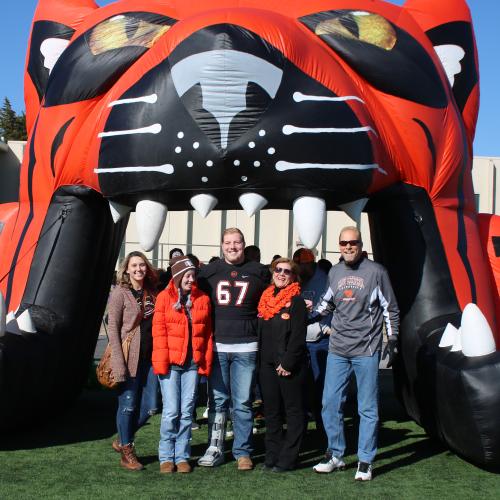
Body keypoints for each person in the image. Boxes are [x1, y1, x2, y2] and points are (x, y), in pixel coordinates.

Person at [312, 227, 399, 481]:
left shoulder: (376, 272)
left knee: (367, 408)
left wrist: (392, 340)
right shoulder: (335, 272)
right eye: (343, 243)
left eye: (353, 242)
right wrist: (307, 313)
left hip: (366, 350)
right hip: (337, 349)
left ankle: (365, 460)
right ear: (339, 246)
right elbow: (326, 303)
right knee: (329, 404)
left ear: (362, 245)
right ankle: (336, 454)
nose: (348, 246)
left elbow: (390, 309)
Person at [197, 228, 269, 470]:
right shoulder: (208, 273)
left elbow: (274, 297)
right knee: (217, 400)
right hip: (217, 346)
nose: (232, 247)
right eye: (228, 243)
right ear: (221, 245)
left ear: (244, 244)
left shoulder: (259, 271)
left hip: (247, 345)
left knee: (243, 401)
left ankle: (243, 451)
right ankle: (215, 447)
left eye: (236, 242)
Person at [152, 256, 213, 473]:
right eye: (186, 275)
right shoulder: (163, 298)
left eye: (192, 275)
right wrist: (161, 363)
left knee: (187, 412)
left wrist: (204, 363)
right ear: (177, 277)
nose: (190, 279)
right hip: (170, 364)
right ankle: (166, 457)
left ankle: (182, 456)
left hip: (192, 365)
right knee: (171, 412)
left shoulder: (202, 299)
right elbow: (158, 334)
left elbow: (207, 335)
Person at [108, 251, 159, 471]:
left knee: (151, 406)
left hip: (151, 357)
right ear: (127, 269)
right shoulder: (121, 293)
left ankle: (122, 438)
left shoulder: (152, 291)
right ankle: (127, 450)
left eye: (142, 265)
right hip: (129, 357)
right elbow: (112, 328)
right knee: (128, 405)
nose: (139, 269)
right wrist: (118, 363)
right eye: (134, 266)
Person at [257, 257, 307, 472]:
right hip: (266, 365)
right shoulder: (265, 297)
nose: (281, 274)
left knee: (293, 412)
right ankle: (272, 456)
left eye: (287, 271)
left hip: (287, 365)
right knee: (272, 412)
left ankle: (288, 458)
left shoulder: (296, 301)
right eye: (278, 270)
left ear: (293, 277)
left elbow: (298, 336)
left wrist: (287, 362)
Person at [292, 248, 332, 436]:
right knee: (300, 388)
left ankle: (323, 429)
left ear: (311, 263)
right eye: (297, 265)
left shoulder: (324, 280)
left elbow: (330, 307)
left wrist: (325, 328)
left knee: (320, 387)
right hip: (300, 341)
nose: (299, 270)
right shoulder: (297, 280)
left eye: (302, 265)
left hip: (319, 342)